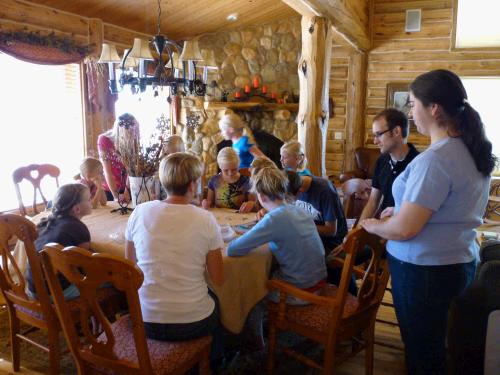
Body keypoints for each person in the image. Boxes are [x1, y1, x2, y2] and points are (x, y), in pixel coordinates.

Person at [360, 69, 496, 375]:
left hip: (423, 271)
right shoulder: (472, 152)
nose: (411, 112)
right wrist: (398, 212)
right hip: (458, 262)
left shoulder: (435, 159)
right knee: (438, 346)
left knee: (423, 355)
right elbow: (446, 210)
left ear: (433, 108)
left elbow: (406, 230)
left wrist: (372, 226)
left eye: (412, 104)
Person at [125, 152, 225, 364]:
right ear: (192, 185)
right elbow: (218, 278)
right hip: (192, 323)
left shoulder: (139, 212)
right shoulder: (205, 219)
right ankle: (214, 362)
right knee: (218, 302)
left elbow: (129, 267)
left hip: (143, 318)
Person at [227, 167, 327, 305]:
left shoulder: (274, 219)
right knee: (270, 269)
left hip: (301, 291)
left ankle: (256, 324)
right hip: (319, 281)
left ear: (261, 196)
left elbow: (233, 249)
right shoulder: (299, 209)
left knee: (252, 291)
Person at [26, 183, 92, 300]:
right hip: (55, 292)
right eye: (89, 199)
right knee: (112, 278)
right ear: (77, 209)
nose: (91, 201)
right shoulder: (78, 229)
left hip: (34, 289)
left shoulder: (46, 222)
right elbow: (84, 265)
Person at [358, 108, 419, 222]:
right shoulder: (381, 161)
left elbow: (418, 211)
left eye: (379, 134)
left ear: (396, 131)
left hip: (406, 232)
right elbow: (373, 202)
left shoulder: (418, 164)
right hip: (384, 229)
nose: (375, 141)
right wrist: (356, 233)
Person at [286, 170, 347, 253]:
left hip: (331, 241)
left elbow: (331, 231)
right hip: (310, 234)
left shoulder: (326, 191)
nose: (286, 201)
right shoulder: (294, 185)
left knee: (292, 254)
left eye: (288, 198)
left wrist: (301, 226)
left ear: (299, 192)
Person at [97, 113, 139, 202]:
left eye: (134, 131)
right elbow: (107, 171)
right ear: (120, 131)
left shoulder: (134, 141)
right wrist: (116, 196)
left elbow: (130, 170)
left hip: (128, 187)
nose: (133, 135)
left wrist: (126, 192)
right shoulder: (104, 140)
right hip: (109, 188)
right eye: (130, 132)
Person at [202, 147, 256, 213]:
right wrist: (206, 203)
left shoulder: (247, 181)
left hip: (240, 218)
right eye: (225, 170)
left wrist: (251, 204)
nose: (230, 173)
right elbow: (209, 203)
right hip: (220, 218)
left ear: (238, 165)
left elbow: (254, 205)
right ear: (220, 166)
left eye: (234, 169)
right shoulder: (214, 180)